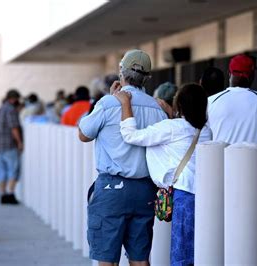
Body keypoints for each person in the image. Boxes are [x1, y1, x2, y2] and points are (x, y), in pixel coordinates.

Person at [78, 49, 167, 265]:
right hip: (145, 189)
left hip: (112, 189)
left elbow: (83, 134)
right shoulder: (158, 108)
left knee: (107, 258)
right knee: (140, 258)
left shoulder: (109, 103)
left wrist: (108, 99)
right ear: (147, 77)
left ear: (121, 73)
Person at [114, 84, 212, 265]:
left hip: (184, 196)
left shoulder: (171, 128)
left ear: (180, 105)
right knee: (201, 251)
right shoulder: (205, 131)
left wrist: (125, 103)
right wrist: (170, 111)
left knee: (181, 254)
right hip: (205, 196)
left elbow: (131, 136)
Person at [207, 54, 257, 265]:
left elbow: (204, 141)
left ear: (230, 74)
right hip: (252, 182)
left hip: (217, 180)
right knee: (251, 242)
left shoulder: (211, 101)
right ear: (252, 74)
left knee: (217, 239)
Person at [0, 89, 23, 204]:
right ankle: (11, 194)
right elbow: (14, 128)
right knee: (13, 170)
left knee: (2, 172)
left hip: (0, 145)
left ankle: (3, 195)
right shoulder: (11, 110)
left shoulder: (0, 109)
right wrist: (20, 142)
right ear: (14, 99)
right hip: (10, 145)